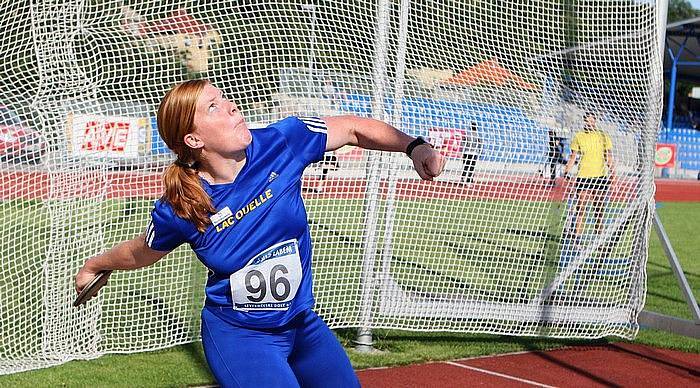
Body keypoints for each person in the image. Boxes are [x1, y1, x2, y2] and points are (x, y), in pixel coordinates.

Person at [74, 79, 445, 388]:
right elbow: (142, 251)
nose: (232, 106)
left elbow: (351, 128)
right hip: (241, 338)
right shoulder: (182, 205)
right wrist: (96, 264)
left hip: (302, 326)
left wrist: (413, 147)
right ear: (193, 140)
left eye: (224, 98)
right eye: (213, 108)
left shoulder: (281, 142)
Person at [562, 112, 614, 237]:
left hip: (600, 176)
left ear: (595, 121)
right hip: (583, 176)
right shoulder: (579, 136)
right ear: (584, 122)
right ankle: (577, 236)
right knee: (581, 207)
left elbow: (608, 156)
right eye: (587, 121)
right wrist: (567, 170)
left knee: (599, 208)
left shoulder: (603, 135)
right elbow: (573, 156)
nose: (589, 123)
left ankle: (599, 235)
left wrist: (613, 173)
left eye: (591, 121)